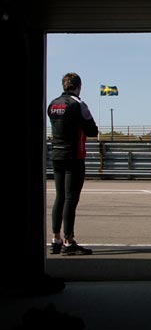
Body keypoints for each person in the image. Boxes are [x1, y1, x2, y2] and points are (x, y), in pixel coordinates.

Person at [47, 72, 99, 256]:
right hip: (74, 157)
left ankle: (55, 240)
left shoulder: (53, 104)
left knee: (59, 197)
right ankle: (69, 241)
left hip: (56, 155)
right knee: (71, 198)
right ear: (79, 86)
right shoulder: (78, 104)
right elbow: (93, 130)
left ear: (63, 86)